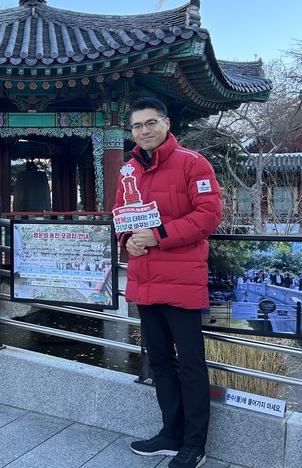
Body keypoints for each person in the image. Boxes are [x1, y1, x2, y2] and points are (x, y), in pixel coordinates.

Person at [115, 97, 222, 468]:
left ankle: (195, 444)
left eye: (150, 123)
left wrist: (157, 235)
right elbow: (121, 215)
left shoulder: (193, 163)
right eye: (137, 126)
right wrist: (126, 240)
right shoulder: (128, 170)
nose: (144, 131)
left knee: (190, 363)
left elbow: (208, 215)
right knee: (159, 360)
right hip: (145, 278)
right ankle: (170, 433)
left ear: (166, 123)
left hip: (181, 279)